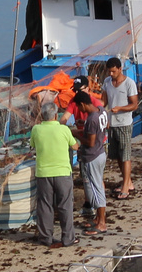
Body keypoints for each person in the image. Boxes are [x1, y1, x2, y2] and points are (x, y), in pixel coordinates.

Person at [30, 101, 77, 249]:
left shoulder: (36, 129)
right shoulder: (64, 129)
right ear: (56, 115)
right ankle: (68, 238)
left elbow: (32, 145)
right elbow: (74, 145)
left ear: (42, 116)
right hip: (62, 172)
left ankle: (46, 238)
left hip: (44, 173)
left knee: (45, 206)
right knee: (65, 206)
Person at [103, 57, 138, 198]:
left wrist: (121, 109)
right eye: (109, 72)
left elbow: (134, 105)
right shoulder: (107, 82)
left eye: (113, 71)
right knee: (117, 155)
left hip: (124, 123)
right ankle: (128, 181)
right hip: (112, 124)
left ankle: (125, 187)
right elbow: (103, 101)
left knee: (126, 156)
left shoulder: (129, 83)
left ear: (119, 69)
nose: (111, 74)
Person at [76, 91, 108, 234]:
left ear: (82, 104)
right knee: (98, 184)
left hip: (92, 156)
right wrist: (86, 127)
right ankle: (97, 218)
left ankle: (101, 223)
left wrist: (76, 134)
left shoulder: (92, 119)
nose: (80, 111)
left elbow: (90, 142)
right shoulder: (101, 111)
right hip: (101, 153)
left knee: (96, 188)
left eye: (79, 107)